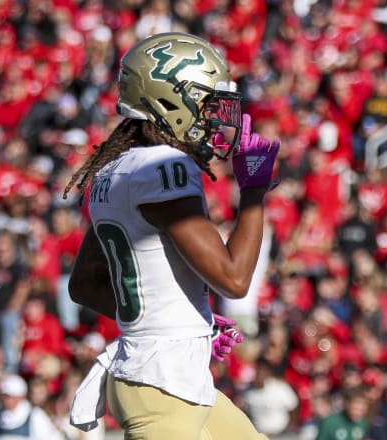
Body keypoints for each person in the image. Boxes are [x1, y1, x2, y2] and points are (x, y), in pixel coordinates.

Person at [64, 32, 280, 439]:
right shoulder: (163, 168)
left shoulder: (115, 168)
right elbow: (233, 280)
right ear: (169, 100)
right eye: (205, 103)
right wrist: (253, 193)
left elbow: (84, 285)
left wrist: (181, 323)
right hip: (161, 389)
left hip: (169, 379)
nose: (214, 117)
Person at [0, 374, 63, 440]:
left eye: (9, 396)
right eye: (4, 396)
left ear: (20, 397)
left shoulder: (35, 416)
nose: (6, 400)